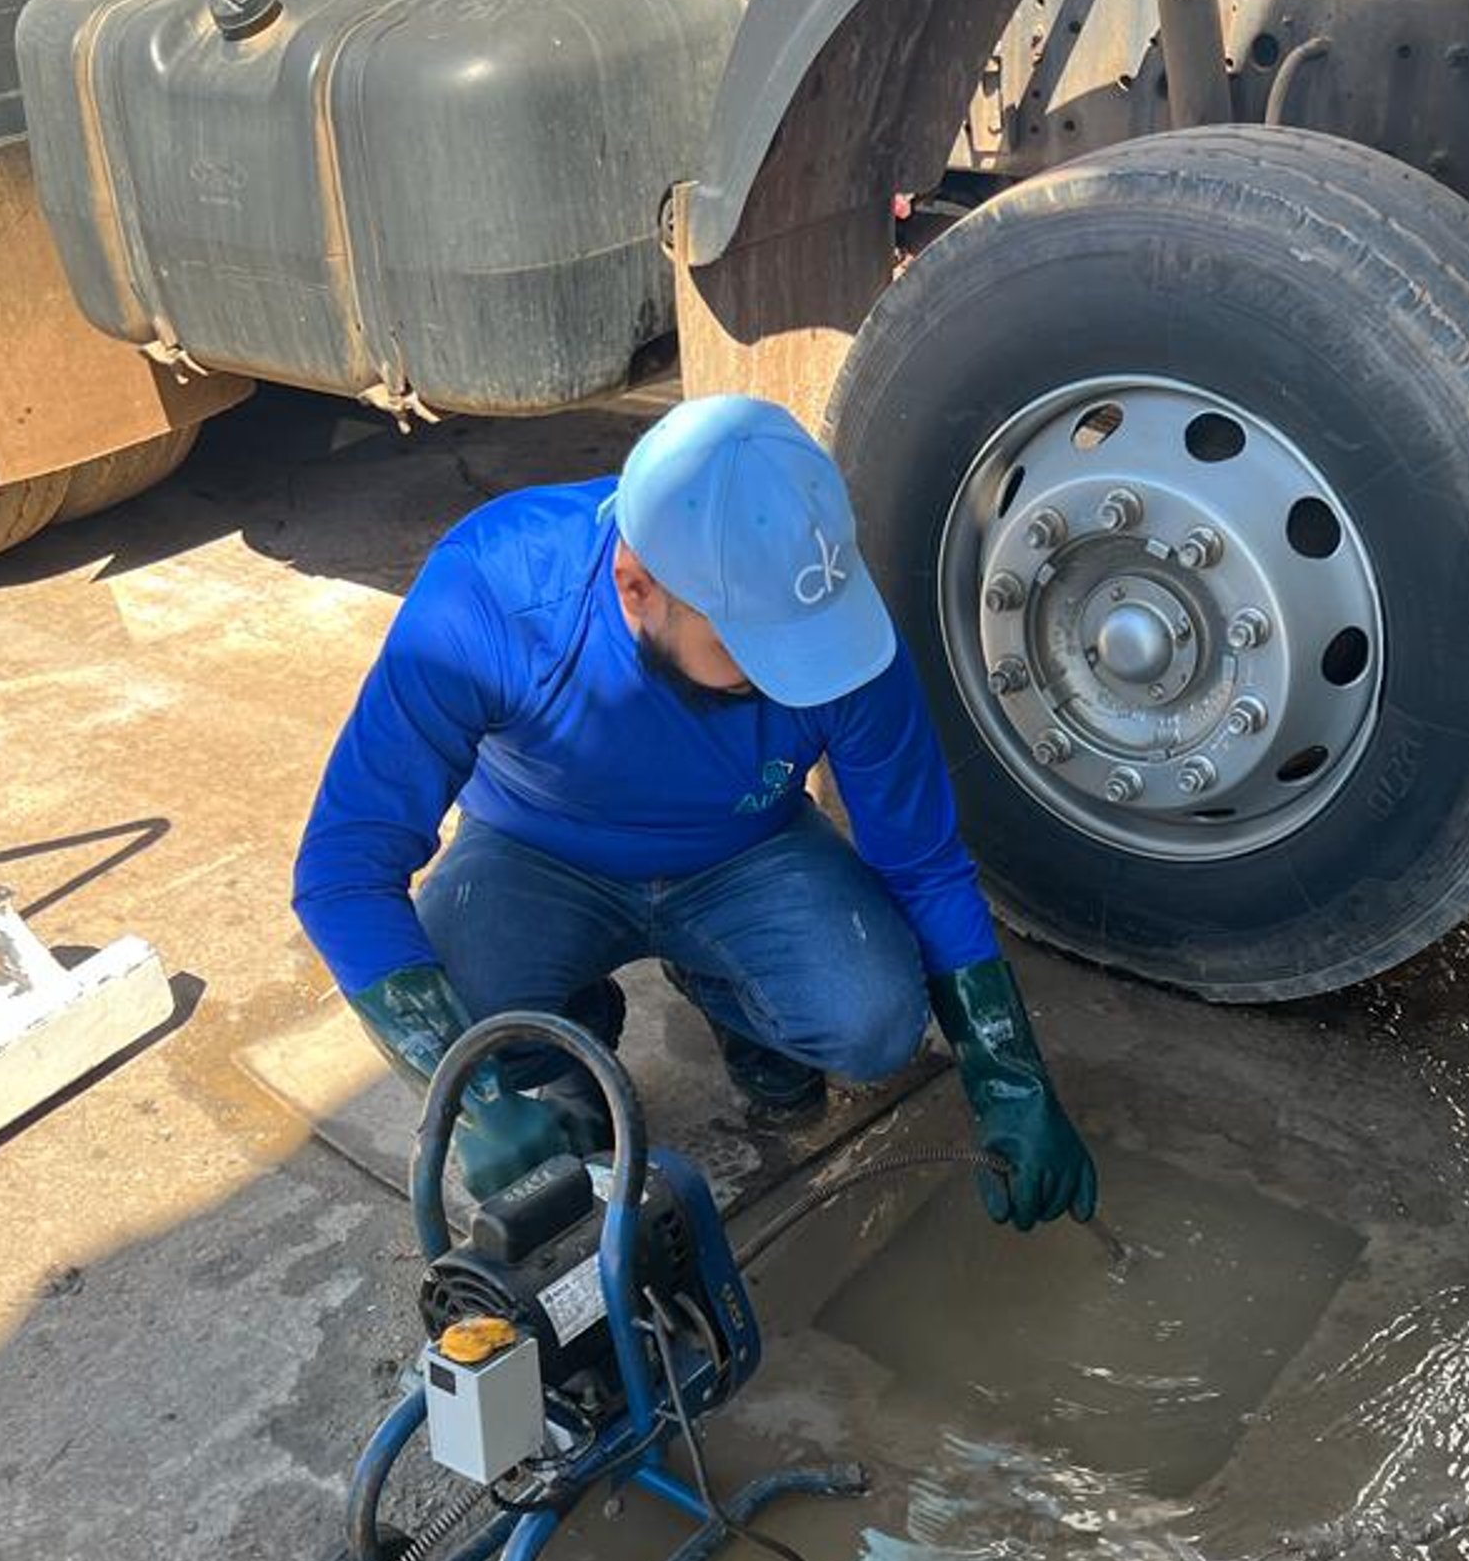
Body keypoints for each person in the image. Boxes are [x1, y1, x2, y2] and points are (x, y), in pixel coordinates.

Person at [293, 395, 1097, 1231]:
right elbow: (342, 871)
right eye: (751, 648)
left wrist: (1010, 1079)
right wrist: (475, 1101)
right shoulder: (495, 595)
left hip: (746, 853)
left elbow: (923, 864)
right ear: (636, 588)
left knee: (876, 1022)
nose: (795, 675)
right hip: (536, 854)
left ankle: (731, 997)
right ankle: (565, 1045)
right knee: (472, 1012)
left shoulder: (832, 624)